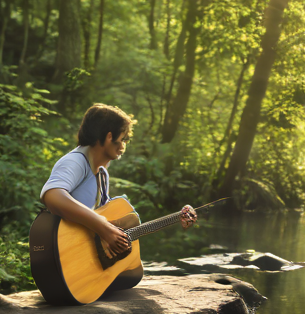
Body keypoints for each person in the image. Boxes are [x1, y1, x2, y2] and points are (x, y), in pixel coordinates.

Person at [41, 103, 197, 260]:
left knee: (132, 269)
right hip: (65, 255)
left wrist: (176, 218)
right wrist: (103, 228)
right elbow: (52, 195)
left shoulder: (101, 174)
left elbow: (108, 218)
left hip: (86, 261)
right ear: (109, 137)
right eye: (124, 139)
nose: (124, 145)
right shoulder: (75, 161)